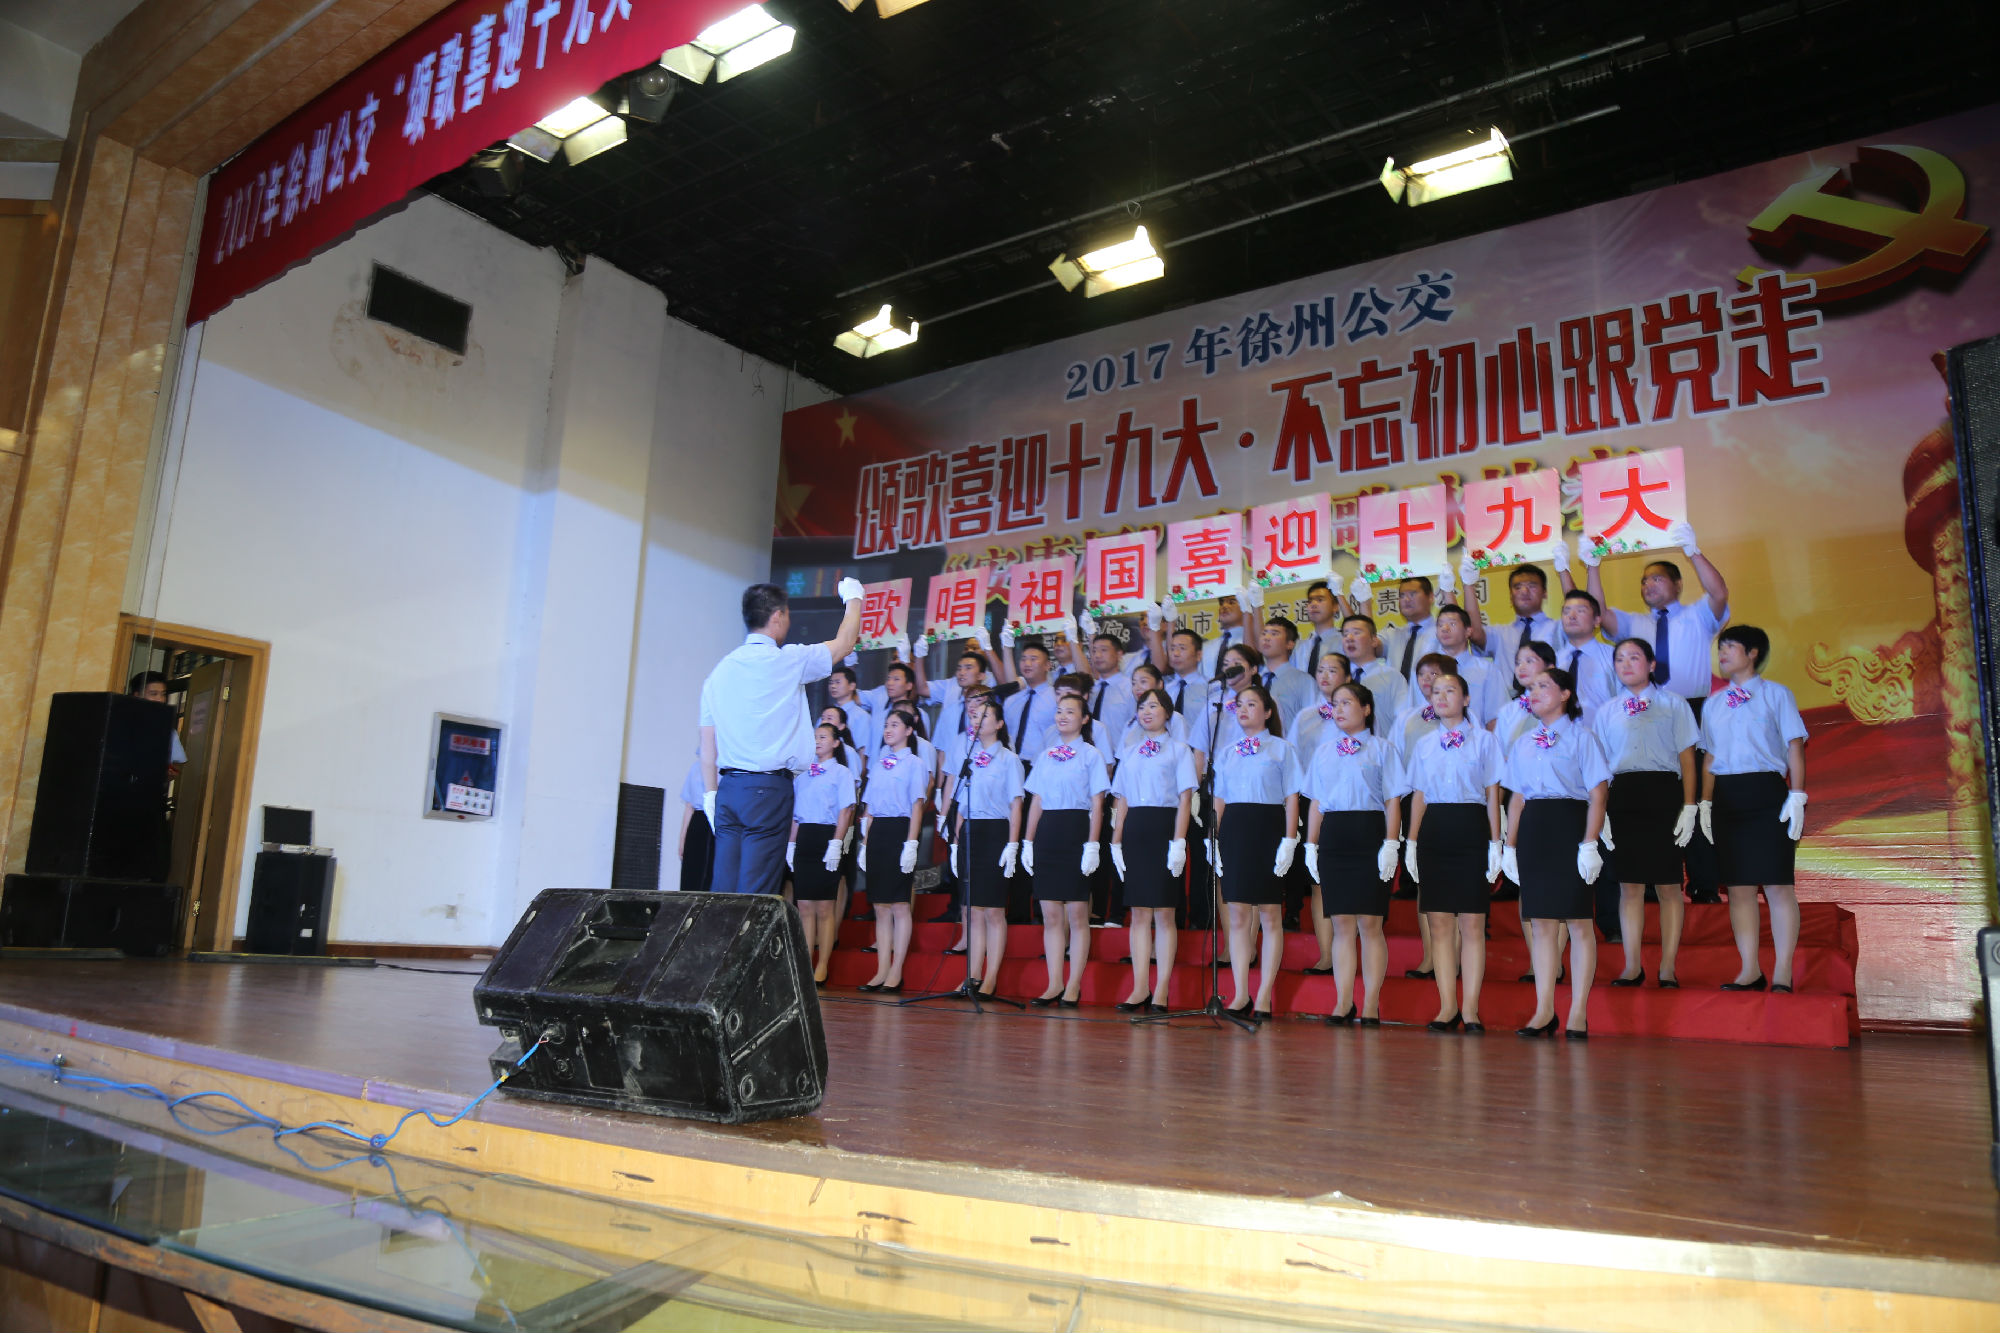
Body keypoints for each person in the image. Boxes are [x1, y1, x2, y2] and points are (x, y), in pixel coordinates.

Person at [699, 580, 864, 895]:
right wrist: (854, 598)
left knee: (724, 891)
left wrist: (709, 795)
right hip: (767, 788)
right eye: (787, 614)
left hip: (728, 789)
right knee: (756, 891)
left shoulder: (720, 672)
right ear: (777, 616)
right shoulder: (788, 660)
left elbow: (707, 746)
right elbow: (844, 644)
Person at [1501, 669, 1613, 1039]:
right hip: (1535, 829)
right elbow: (1516, 798)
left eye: (1543, 686)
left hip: (1570, 826)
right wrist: (1509, 846)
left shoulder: (1582, 737)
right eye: (1530, 687)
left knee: (1578, 921)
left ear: (1565, 694)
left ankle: (1578, 1011)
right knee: (1542, 923)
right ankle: (1544, 1010)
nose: (1533, 692)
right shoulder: (1523, 742)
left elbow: (1598, 794)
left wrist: (1589, 842)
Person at [1698, 625, 1809, 992]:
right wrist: (1705, 803)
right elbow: (1710, 756)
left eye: (1730, 647)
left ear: (1753, 653)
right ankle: (1750, 970)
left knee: (1778, 885)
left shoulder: (1777, 694)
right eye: (1720, 648)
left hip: (1766, 793)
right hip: (1728, 797)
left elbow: (1794, 745)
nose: (1723, 654)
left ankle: (1782, 972)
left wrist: (1797, 794)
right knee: (1739, 888)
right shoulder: (1713, 703)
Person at [1398, 670, 1502, 1032]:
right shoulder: (1425, 744)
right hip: (1434, 830)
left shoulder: (1485, 740)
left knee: (1472, 922)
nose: (1441, 697)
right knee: (1439, 922)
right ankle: (1447, 1006)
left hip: (1472, 826)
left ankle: (1470, 1008)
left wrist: (1496, 843)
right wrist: (1411, 842)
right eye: (1436, 692)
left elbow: (1492, 794)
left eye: (1450, 691)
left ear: (1466, 699)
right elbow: (1419, 797)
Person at [1594, 638, 1700, 988]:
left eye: (1634, 657)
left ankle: (1667, 967)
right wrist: (1601, 811)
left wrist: (1689, 806)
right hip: (1623, 795)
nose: (1626, 664)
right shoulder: (1607, 710)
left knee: (1669, 885)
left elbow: (1687, 759)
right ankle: (1632, 966)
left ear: (1652, 664)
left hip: (1663, 792)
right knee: (1629, 886)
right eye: (1620, 659)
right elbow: (1600, 766)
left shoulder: (1674, 703)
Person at [1303, 681, 1403, 1025]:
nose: (1339, 709)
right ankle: (1343, 1002)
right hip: (1334, 835)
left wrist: (1391, 843)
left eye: (1347, 702)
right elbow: (1316, 801)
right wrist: (1310, 844)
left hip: (1369, 832)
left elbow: (1392, 801)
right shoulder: (1323, 751)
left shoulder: (1383, 749)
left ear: (1366, 709)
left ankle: (1371, 1003)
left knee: (1370, 923)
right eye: (1335, 704)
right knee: (1342, 923)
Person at [1210, 683, 1303, 1020]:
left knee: (1269, 913)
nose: (1244, 709)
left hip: (1268, 828)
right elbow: (1219, 798)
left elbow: (1291, 796)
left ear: (1267, 712)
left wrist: (1289, 840)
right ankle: (1240, 994)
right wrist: (1213, 838)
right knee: (1237, 913)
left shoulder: (1282, 749)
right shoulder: (1227, 751)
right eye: (1240, 704)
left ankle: (1264, 995)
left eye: (1251, 704)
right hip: (1235, 829)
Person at [1109, 688, 1197, 1013]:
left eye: (1154, 706)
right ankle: (1139, 988)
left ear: (1167, 713)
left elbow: (1185, 799)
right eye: (1142, 706)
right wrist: (1116, 840)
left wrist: (1179, 842)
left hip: (1164, 827)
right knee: (1138, 913)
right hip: (1135, 829)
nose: (1147, 711)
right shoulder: (1130, 751)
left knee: (1164, 912)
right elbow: (1121, 798)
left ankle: (1161, 990)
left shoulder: (1179, 750)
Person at [1022, 695, 1110, 1006]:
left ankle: (1074, 985)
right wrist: (1028, 842)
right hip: (1048, 831)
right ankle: (1054, 983)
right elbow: (1036, 800)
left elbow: (1098, 804)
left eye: (1070, 711)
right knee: (1050, 914)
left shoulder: (1092, 755)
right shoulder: (1046, 755)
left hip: (1076, 830)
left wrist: (1092, 844)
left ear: (1085, 719)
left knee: (1077, 913)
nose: (1062, 716)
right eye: (1059, 710)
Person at [948, 694, 1025, 997]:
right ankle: (972, 975)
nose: (977, 721)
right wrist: (956, 841)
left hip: (996, 832)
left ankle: (991, 977)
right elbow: (961, 804)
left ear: (999, 724)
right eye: (974, 716)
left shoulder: (1009, 759)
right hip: (971, 832)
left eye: (984, 716)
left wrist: (1012, 844)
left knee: (992, 910)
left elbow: (1016, 805)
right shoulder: (970, 759)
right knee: (973, 910)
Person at [857, 708, 929, 992]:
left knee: (899, 903)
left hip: (901, 829)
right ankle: (881, 969)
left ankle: (896, 970)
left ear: (909, 731)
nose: (888, 729)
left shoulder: (915, 763)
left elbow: (917, 805)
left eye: (895, 725)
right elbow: (869, 807)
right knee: (880, 905)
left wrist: (911, 843)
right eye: (886, 724)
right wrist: (864, 842)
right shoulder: (878, 764)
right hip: (878, 832)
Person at [1288, 650, 1353, 967]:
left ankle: (1348, 952)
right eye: (1321, 670)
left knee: (1349, 881)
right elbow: (1293, 760)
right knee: (1318, 880)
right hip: (1313, 803)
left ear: (1348, 677)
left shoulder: (1358, 713)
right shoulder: (1306, 716)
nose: (1325, 675)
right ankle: (1327, 955)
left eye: (1332, 670)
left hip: (1352, 806)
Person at [787, 724, 857, 984]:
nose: (817, 741)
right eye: (814, 737)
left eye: (823, 737)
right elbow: (796, 816)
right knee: (804, 906)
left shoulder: (842, 773)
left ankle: (823, 964)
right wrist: (791, 845)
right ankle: (806, 963)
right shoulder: (803, 776)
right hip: (805, 837)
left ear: (836, 743)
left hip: (828, 836)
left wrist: (837, 843)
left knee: (825, 907)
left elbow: (846, 810)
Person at [1483, 559, 1562, 672]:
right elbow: (1471, 631)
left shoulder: (1558, 628)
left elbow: (1581, 610)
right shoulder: (1499, 634)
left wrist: (1564, 571)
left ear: (1545, 592)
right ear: (1511, 595)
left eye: (1532, 586)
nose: (1524, 591)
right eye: (1518, 587)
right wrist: (1468, 585)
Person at [1340, 614, 1408, 738]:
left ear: (1374, 640)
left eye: (1356, 633)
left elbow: (1403, 720)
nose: (1349, 638)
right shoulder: (1338, 678)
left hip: (1381, 747)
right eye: (1345, 634)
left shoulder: (1391, 677)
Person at [998, 640, 1060, 764]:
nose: (1027, 663)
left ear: (1047, 665)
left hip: (1043, 764)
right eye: (1023, 659)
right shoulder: (1011, 700)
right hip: (1012, 764)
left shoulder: (1057, 698)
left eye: (1033, 659)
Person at [1256, 615, 1317, 721]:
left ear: (1290, 644)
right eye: (1264, 633)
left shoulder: (1304, 681)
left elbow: (1312, 721)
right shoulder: (1255, 680)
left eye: (1274, 634)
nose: (1266, 638)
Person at [1382, 577, 1442, 684]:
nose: (1406, 600)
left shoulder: (1442, 633)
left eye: (1412, 594)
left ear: (1430, 597)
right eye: (1402, 595)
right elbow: (1366, 644)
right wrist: (1364, 602)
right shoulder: (1392, 635)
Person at [1293, 577, 1349, 676]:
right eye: (1310, 601)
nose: (1313, 605)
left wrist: (1339, 594)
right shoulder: (1300, 647)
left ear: (1335, 606)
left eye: (1320, 600)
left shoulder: (1344, 641)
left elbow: (1357, 625)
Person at [1198, 594, 1253, 680]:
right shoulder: (1206, 647)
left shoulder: (1254, 643)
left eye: (1231, 602)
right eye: (1221, 603)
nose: (1224, 606)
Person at [826, 664, 875, 758]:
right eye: (831, 683)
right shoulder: (826, 714)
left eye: (838, 682)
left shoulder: (861, 716)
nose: (833, 686)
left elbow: (862, 751)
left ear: (852, 686)